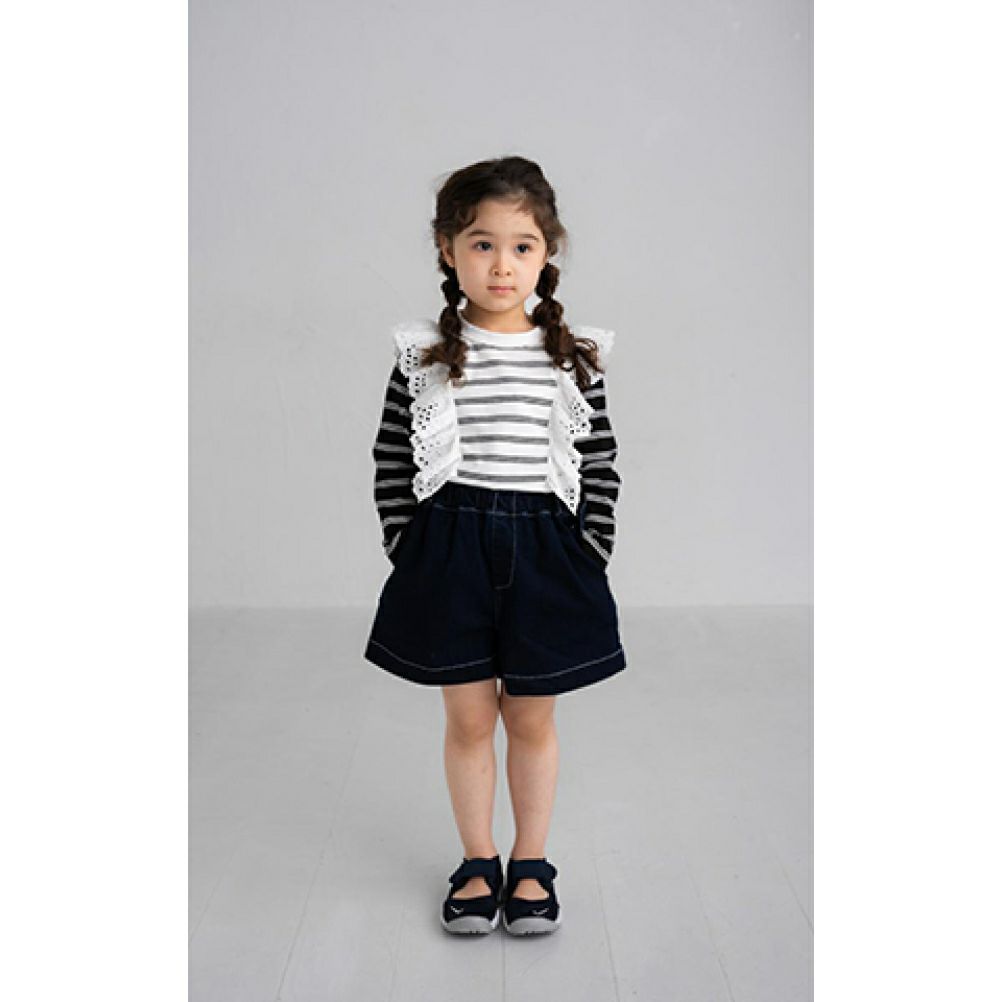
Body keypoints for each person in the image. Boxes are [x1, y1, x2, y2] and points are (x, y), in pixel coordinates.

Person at [363, 155, 626, 936]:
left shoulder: (571, 356)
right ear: (447, 250)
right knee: (471, 721)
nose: (502, 265)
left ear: (547, 254)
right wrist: (410, 547)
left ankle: (531, 860)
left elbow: (600, 460)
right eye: (482, 244)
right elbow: (392, 458)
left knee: (532, 721)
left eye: (522, 246)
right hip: (451, 552)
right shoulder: (425, 357)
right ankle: (478, 861)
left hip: (547, 552)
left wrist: (590, 550)